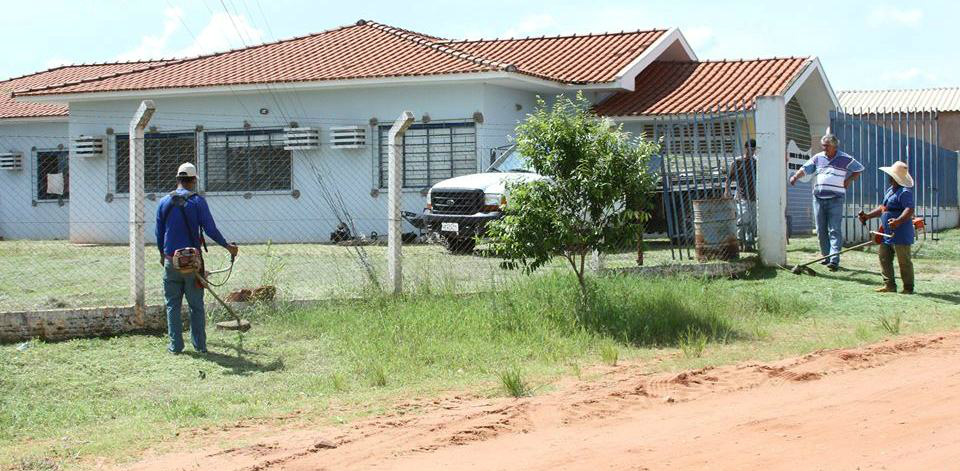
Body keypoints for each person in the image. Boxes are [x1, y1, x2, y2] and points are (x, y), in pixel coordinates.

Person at [156, 163, 238, 354]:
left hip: (171, 261)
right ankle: (200, 346)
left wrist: (163, 255)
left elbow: (159, 233)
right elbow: (210, 229)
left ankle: (175, 346)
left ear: (178, 179)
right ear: (193, 180)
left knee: (172, 305)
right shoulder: (198, 202)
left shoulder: (163, 202)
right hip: (193, 263)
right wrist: (227, 247)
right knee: (196, 306)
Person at [789, 133, 864, 271]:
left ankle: (834, 259)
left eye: (827, 146)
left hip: (835, 199)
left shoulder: (844, 158)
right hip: (818, 199)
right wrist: (795, 177)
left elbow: (859, 169)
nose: (824, 149)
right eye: (823, 146)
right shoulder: (818, 158)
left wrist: (848, 180)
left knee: (834, 229)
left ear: (835, 146)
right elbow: (805, 169)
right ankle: (825, 257)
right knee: (820, 229)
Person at [857, 161, 915, 294]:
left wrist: (898, 221)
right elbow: (883, 209)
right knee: (884, 257)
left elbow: (909, 209)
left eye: (891, 175)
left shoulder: (904, 192)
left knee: (904, 261)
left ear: (895, 177)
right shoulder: (890, 190)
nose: (889, 177)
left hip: (901, 233)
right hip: (887, 233)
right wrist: (867, 216)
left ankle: (908, 288)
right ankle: (889, 285)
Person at [724, 139, 758, 250]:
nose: (751, 151)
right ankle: (739, 241)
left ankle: (749, 243)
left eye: (753, 149)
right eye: (749, 149)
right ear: (745, 148)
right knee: (743, 218)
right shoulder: (737, 161)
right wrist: (727, 190)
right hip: (741, 195)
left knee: (752, 221)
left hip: (754, 196)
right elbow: (729, 178)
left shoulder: (756, 162)